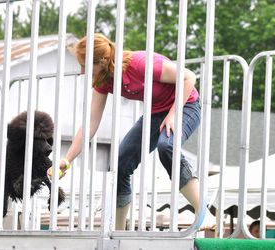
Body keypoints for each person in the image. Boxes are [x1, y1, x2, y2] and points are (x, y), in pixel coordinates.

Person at [58, 33, 201, 230]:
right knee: (120, 162)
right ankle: (119, 230)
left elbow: (188, 77)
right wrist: (67, 159)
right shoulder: (104, 80)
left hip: (185, 106)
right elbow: (90, 123)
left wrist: (173, 114)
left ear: (103, 60)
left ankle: (203, 213)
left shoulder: (140, 63)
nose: (82, 72)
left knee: (166, 146)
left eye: (86, 65)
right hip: (156, 113)